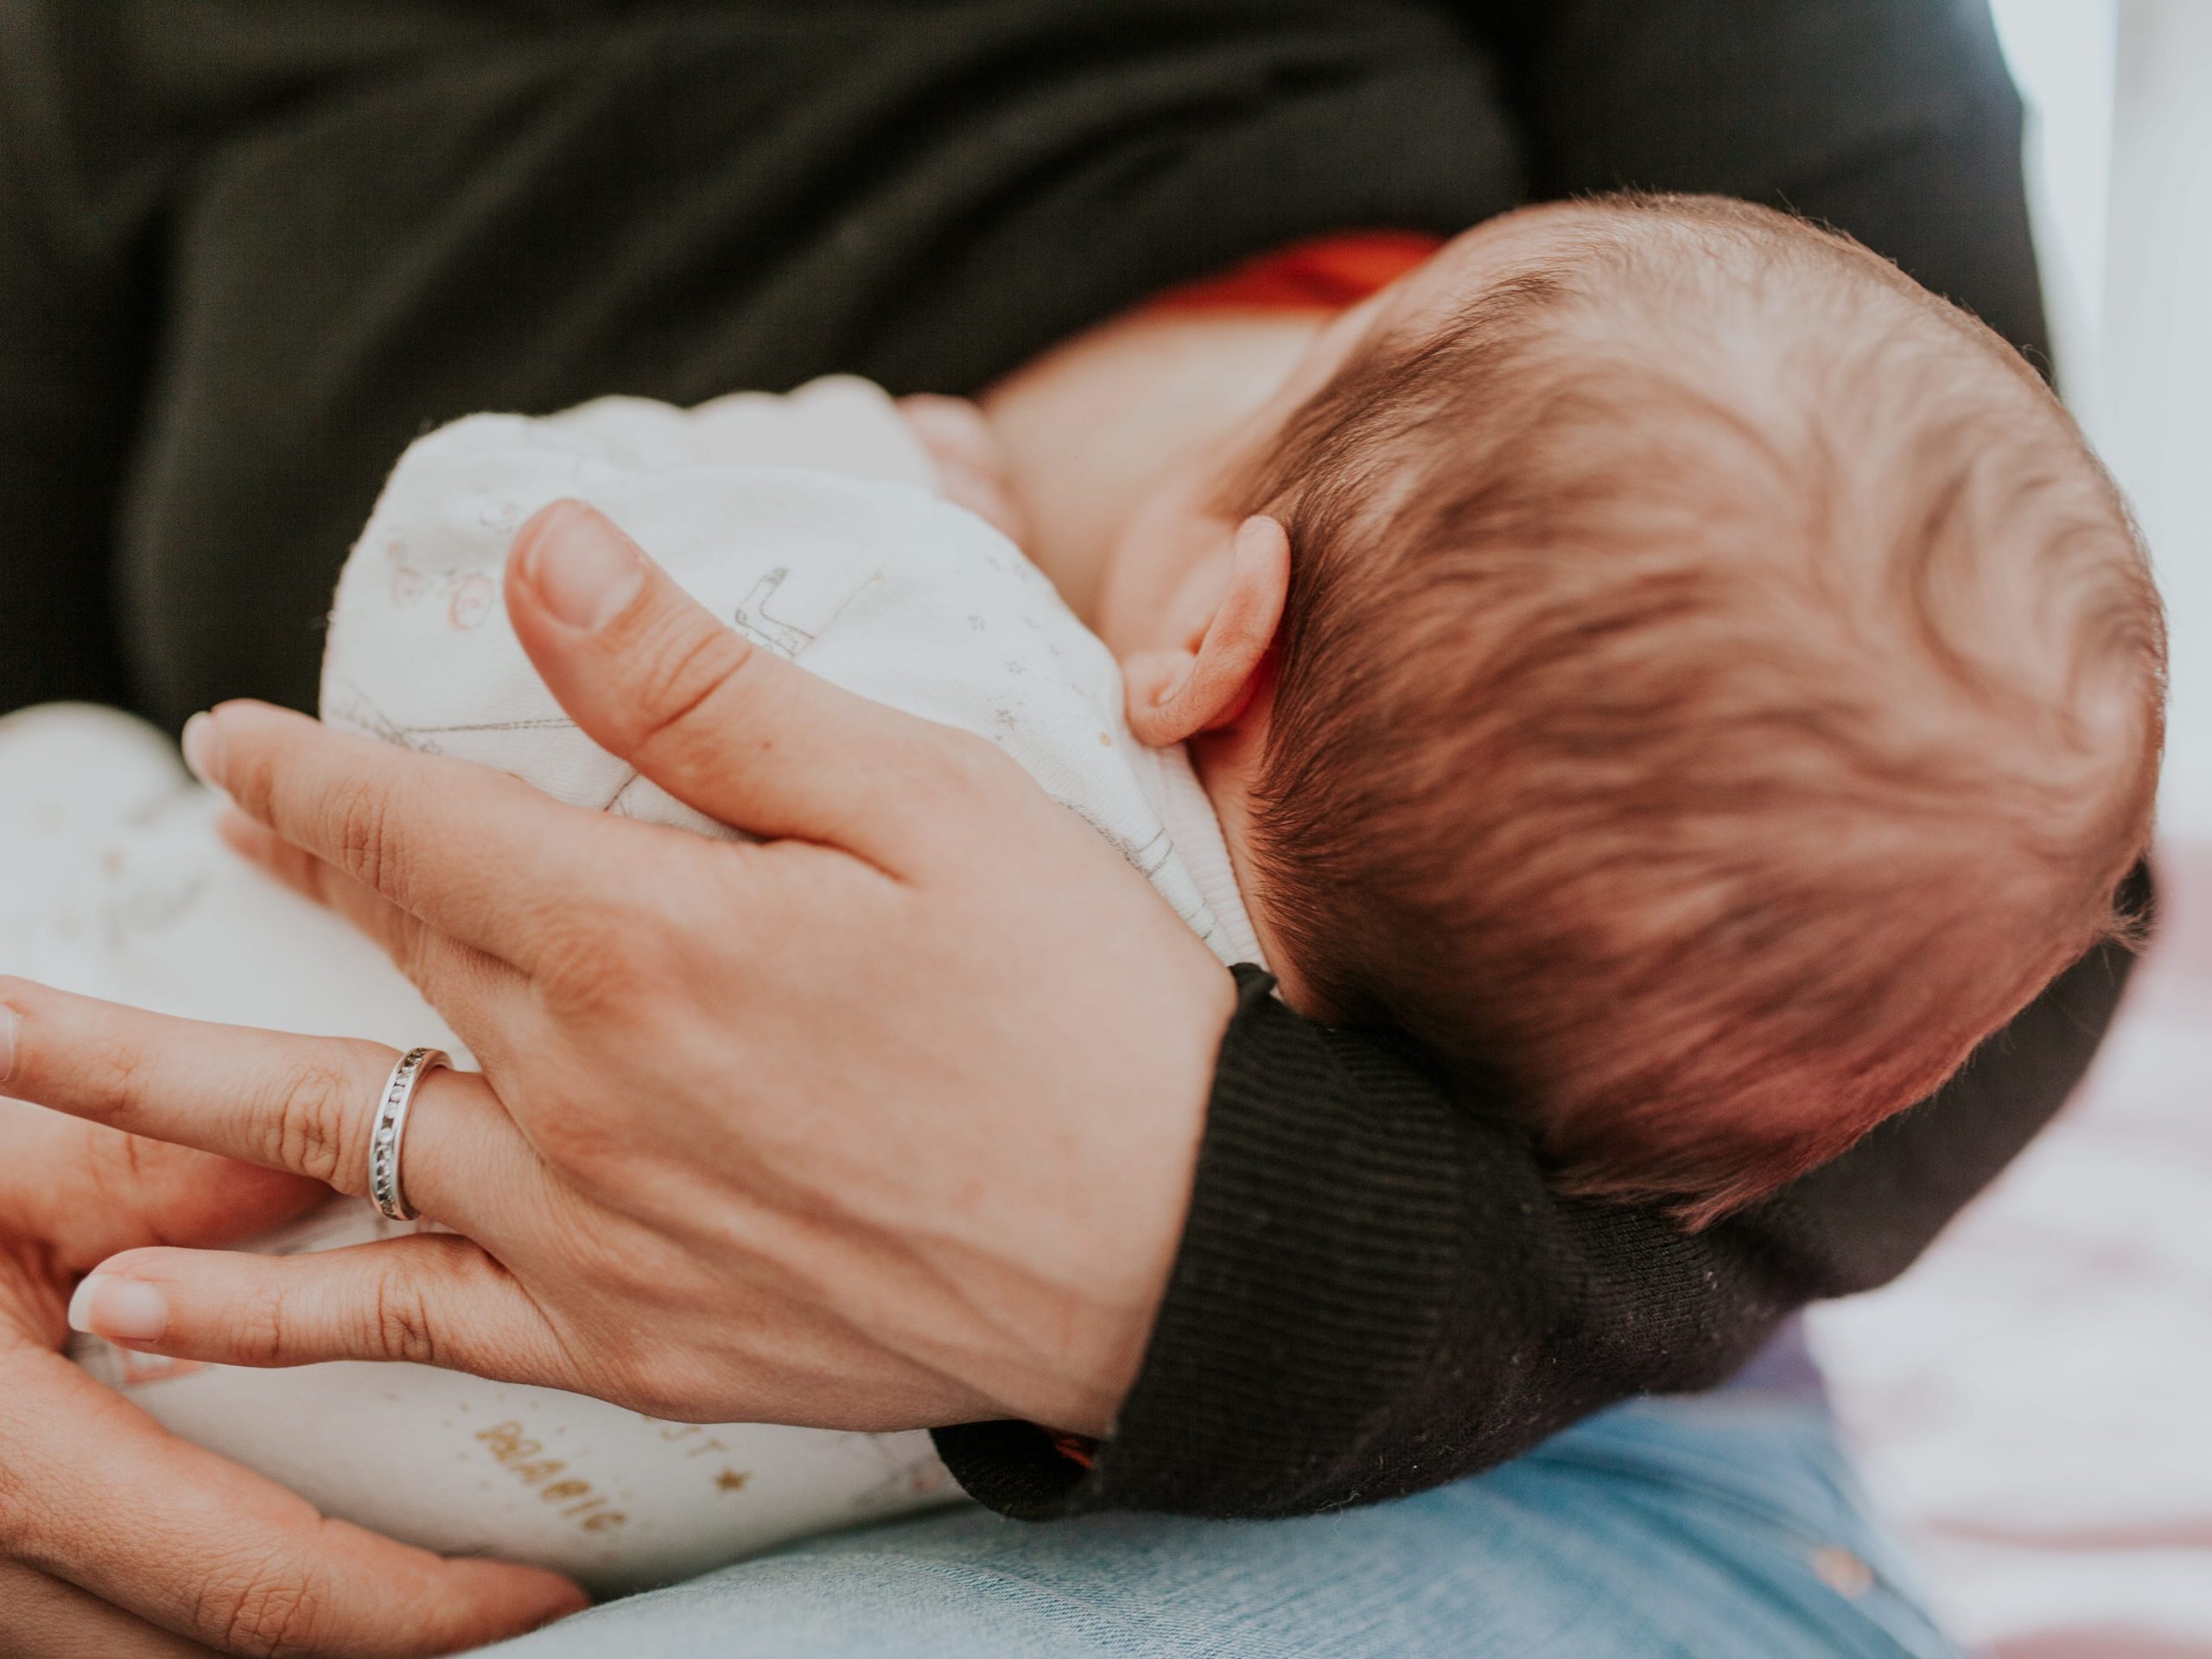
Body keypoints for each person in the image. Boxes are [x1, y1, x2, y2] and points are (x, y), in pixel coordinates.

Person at [0, 3, 2152, 1654]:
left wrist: (1192, 1245)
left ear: (1212, 630)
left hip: (1441, 1466)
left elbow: (1978, 872)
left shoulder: (866, 575)